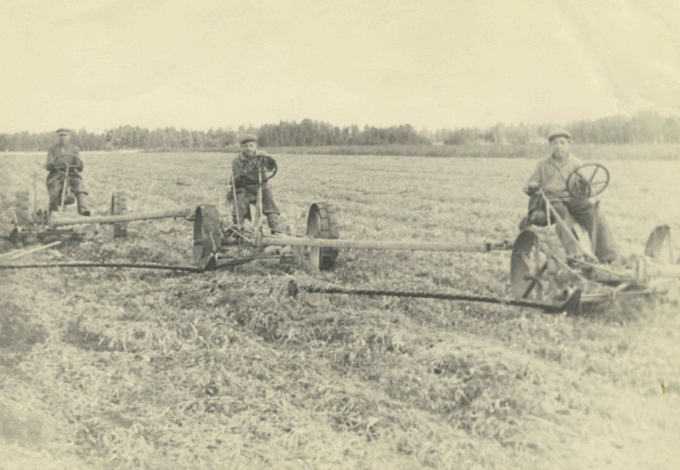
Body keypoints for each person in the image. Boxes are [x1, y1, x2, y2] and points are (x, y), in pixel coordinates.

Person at [522, 129, 618, 263]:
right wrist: (532, 185)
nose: (559, 146)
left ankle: (607, 256)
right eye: (555, 143)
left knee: (593, 210)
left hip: (572, 198)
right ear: (550, 146)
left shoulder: (576, 163)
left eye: (562, 143)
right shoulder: (542, 164)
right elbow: (532, 182)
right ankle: (574, 256)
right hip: (551, 199)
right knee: (563, 215)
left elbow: (585, 184)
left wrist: (585, 184)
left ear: (569, 145)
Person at [227, 134, 281, 233]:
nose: (248, 148)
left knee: (268, 199)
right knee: (239, 201)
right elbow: (234, 182)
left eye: (251, 145)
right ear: (241, 147)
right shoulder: (236, 161)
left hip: (260, 185)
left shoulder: (262, 155)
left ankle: (275, 227)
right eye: (246, 146)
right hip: (244, 187)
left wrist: (272, 162)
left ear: (255, 146)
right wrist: (240, 176)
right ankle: (238, 227)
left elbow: (270, 168)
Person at [45, 128, 90, 216]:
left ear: (69, 137)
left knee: (80, 186)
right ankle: (53, 212)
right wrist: (53, 163)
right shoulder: (52, 149)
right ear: (58, 137)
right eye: (61, 135)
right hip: (56, 174)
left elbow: (79, 164)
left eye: (65, 135)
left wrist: (79, 165)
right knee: (54, 191)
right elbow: (48, 165)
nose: (63, 138)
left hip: (71, 173)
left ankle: (83, 209)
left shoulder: (75, 149)